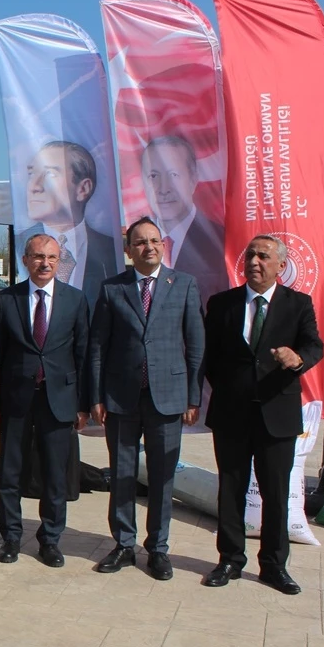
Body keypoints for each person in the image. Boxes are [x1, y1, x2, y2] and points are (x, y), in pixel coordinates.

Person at [202, 235, 323, 595]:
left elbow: (314, 344)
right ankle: (229, 560)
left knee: (275, 492)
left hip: (278, 413)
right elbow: (210, 356)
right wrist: (229, 387)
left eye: (264, 256)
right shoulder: (222, 304)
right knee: (231, 489)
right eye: (251, 255)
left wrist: (297, 359)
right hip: (232, 414)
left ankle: (273, 565)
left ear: (280, 265)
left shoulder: (297, 304)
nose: (254, 261)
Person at [89, 217, 205, 580]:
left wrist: (192, 397)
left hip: (168, 399)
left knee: (162, 477)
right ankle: (124, 544)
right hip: (121, 399)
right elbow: (97, 347)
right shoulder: (112, 289)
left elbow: (196, 346)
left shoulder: (183, 285)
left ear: (163, 245)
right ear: (128, 250)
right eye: (140, 242)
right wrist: (96, 395)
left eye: (154, 240)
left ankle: (158, 548)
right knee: (122, 474)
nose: (148, 247)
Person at [0, 234, 90, 568]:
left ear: (59, 261)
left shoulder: (75, 301)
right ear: (25, 259)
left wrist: (83, 404)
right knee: (10, 472)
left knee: (54, 474)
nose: (44, 263)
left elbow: (83, 354)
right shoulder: (7, 300)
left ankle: (50, 539)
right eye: (37, 257)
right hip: (16, 399)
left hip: (58, 399)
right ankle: (11, 537)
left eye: (51, 257)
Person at [18, 140, 118, 307]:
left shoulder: (111, 253)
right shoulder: (18, 245)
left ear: (83, 189)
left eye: (49, 174)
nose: (33, 186)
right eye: (31, 174)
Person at [140, 136, 229, 300]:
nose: (163, 188)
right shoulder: (135, 245)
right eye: (153, 176)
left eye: (173, 175)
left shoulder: (222, 243)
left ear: (193, 180)